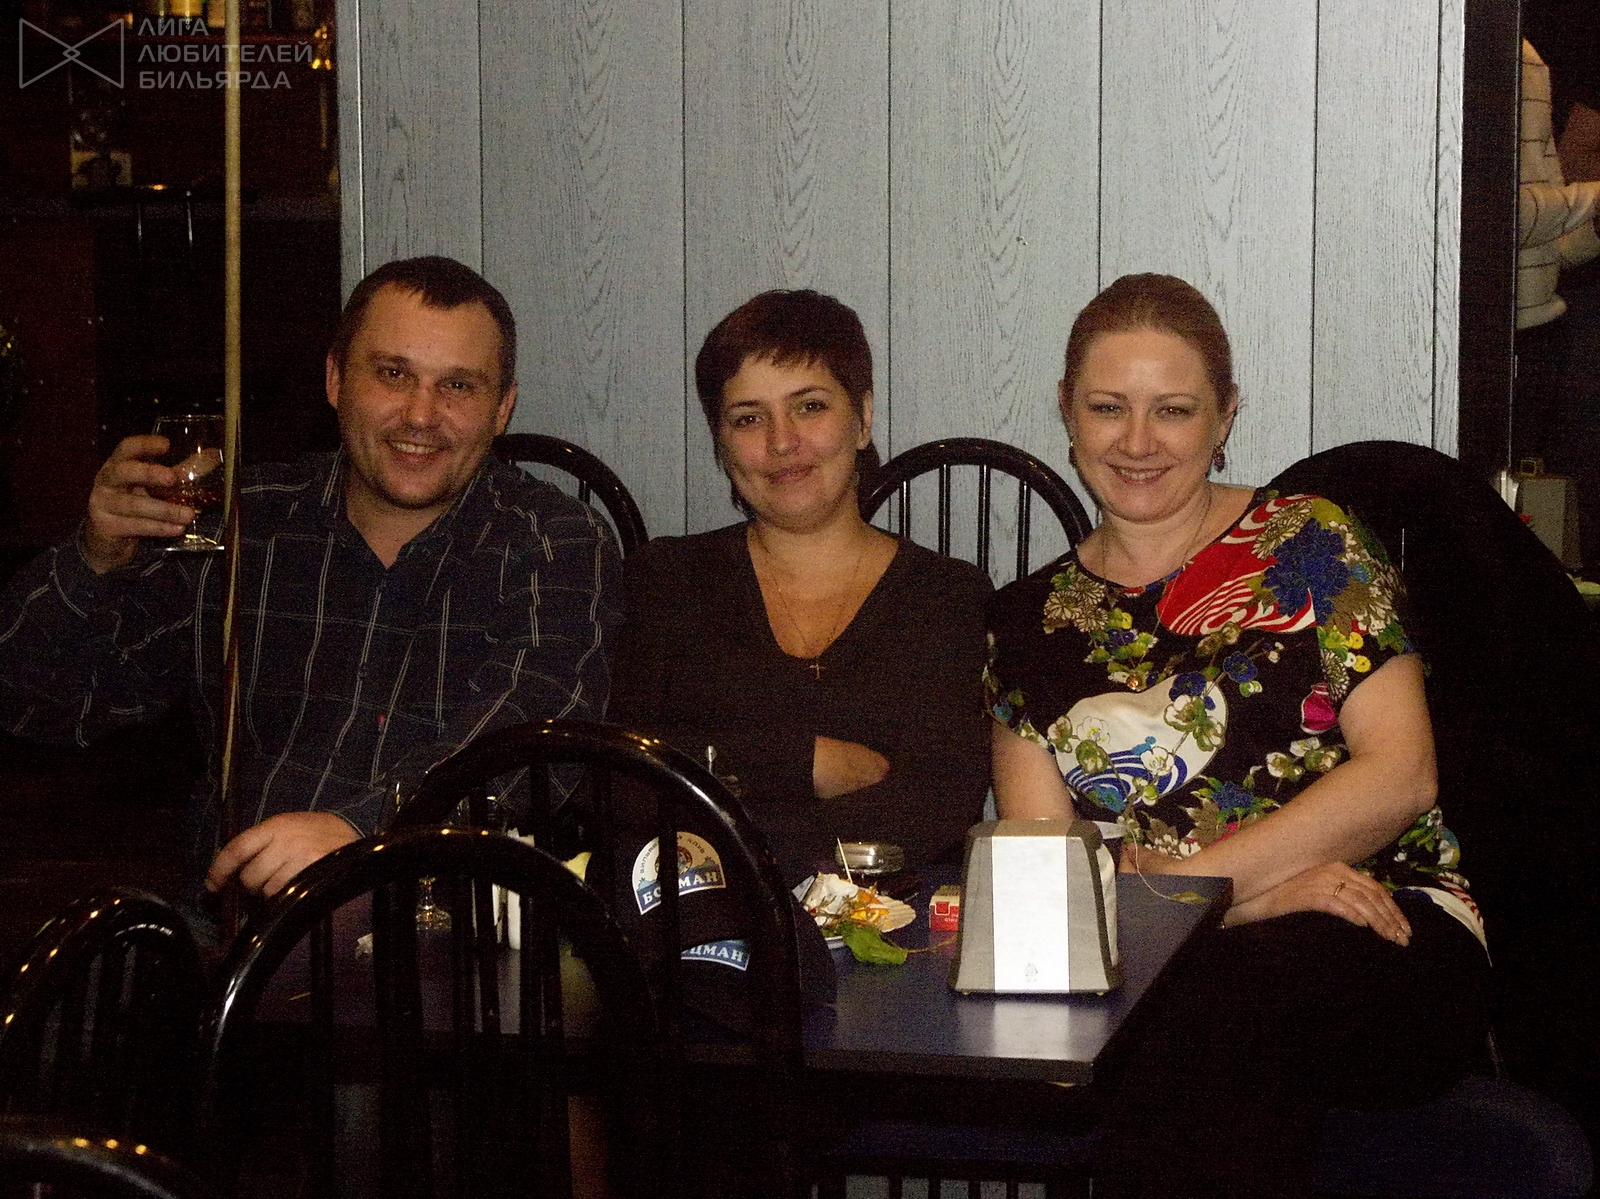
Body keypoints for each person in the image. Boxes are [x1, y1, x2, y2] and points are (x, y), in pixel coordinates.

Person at [985, 274, 1490, 1198]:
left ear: (1224, 417)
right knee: (1189, 1012)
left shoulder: (1312, 540)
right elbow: (1048, 895)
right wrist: (1244, 899)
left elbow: (1402, 775)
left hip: (1381, 919)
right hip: (1170, 953)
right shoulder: (1025, 622)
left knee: (1214, 1005)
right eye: (1108, 407)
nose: (1138, 442)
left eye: (1173, 410)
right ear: (1066, 410)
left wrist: (1187, 890)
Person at [0, 256, 623, 939]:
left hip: (453, 939)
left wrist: (366, 831)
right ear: (335, 380)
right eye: (393, 374)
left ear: (501, 408)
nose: (422, 414)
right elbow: (38, 704)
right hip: (240, 933)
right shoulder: (244, 523)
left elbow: (528, 741)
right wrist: (94, 560)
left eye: (457, 385)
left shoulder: (555, 540)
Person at [608, 288, 992, 885]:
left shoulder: (947, 596)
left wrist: (731, 813)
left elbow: (937, 812)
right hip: (709, 923)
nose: (781, 441)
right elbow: (620, 781)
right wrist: (803, 762)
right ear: (721, 442)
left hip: (893, 928)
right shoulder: (666, 580)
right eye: (748, 418)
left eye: (809, 407)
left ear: (862, 418)